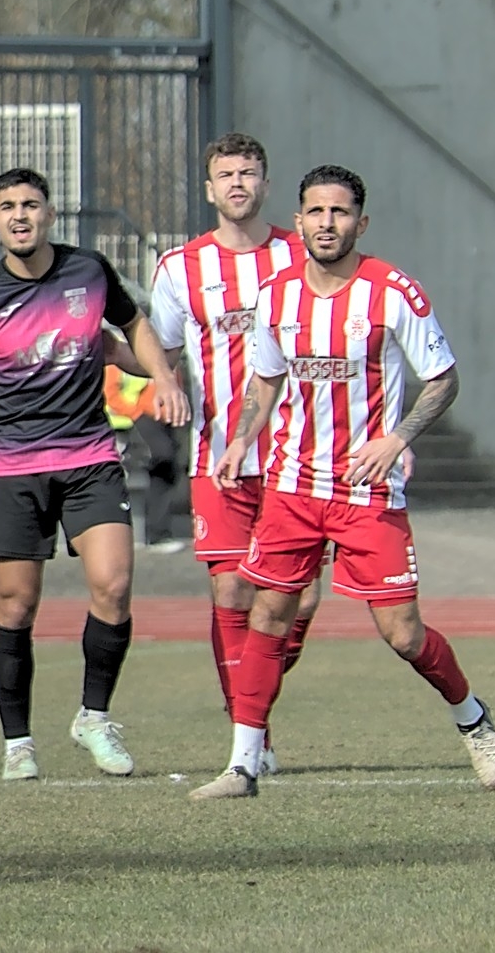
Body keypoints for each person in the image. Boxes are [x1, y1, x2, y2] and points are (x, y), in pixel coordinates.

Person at [190, 165, 495, 799]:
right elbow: (266, 380)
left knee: (402, 633)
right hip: (292, 486)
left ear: (360, 223)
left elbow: (443, 379)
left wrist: (397, 439)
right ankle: (243, 765)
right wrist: (243, 440)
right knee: (269, 612)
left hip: (367, 492)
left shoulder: (393, 292)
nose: (326, 223)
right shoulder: (277, 295)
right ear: (300, 220)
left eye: (339, 212)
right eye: (316, 211)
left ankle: (472, 717)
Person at [0, 168, 188, 783]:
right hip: (16, 467)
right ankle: (18, 743)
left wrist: (164, 379)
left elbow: (134, 325)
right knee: (16, 605)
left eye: (31, 204)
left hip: (91, 459)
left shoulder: (88, 271)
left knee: (114, 585)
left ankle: (94, 717)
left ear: (49, 214)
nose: (20, 215)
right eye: (8, 206)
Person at [147, 133, 320, 772]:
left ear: (266, 184)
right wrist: (152, 376)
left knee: (301, 601)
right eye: (227, 174)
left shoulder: (302, 253)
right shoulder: (180, 267)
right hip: (217, 457)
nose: (238, 183)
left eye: (249, 173)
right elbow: (162, 351)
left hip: (297, 457)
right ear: (210, 188)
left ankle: (252, 695)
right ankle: (251, 737)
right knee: (232, 592)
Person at [103, 364, 186, 553]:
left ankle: (158, 534)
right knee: (160, 462)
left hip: (161, 421)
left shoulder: (166, 359)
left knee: (165, 471)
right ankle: (151, 535)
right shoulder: (121, 359)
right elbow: (111, 394)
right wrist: (136, 414)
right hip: (134, 424)